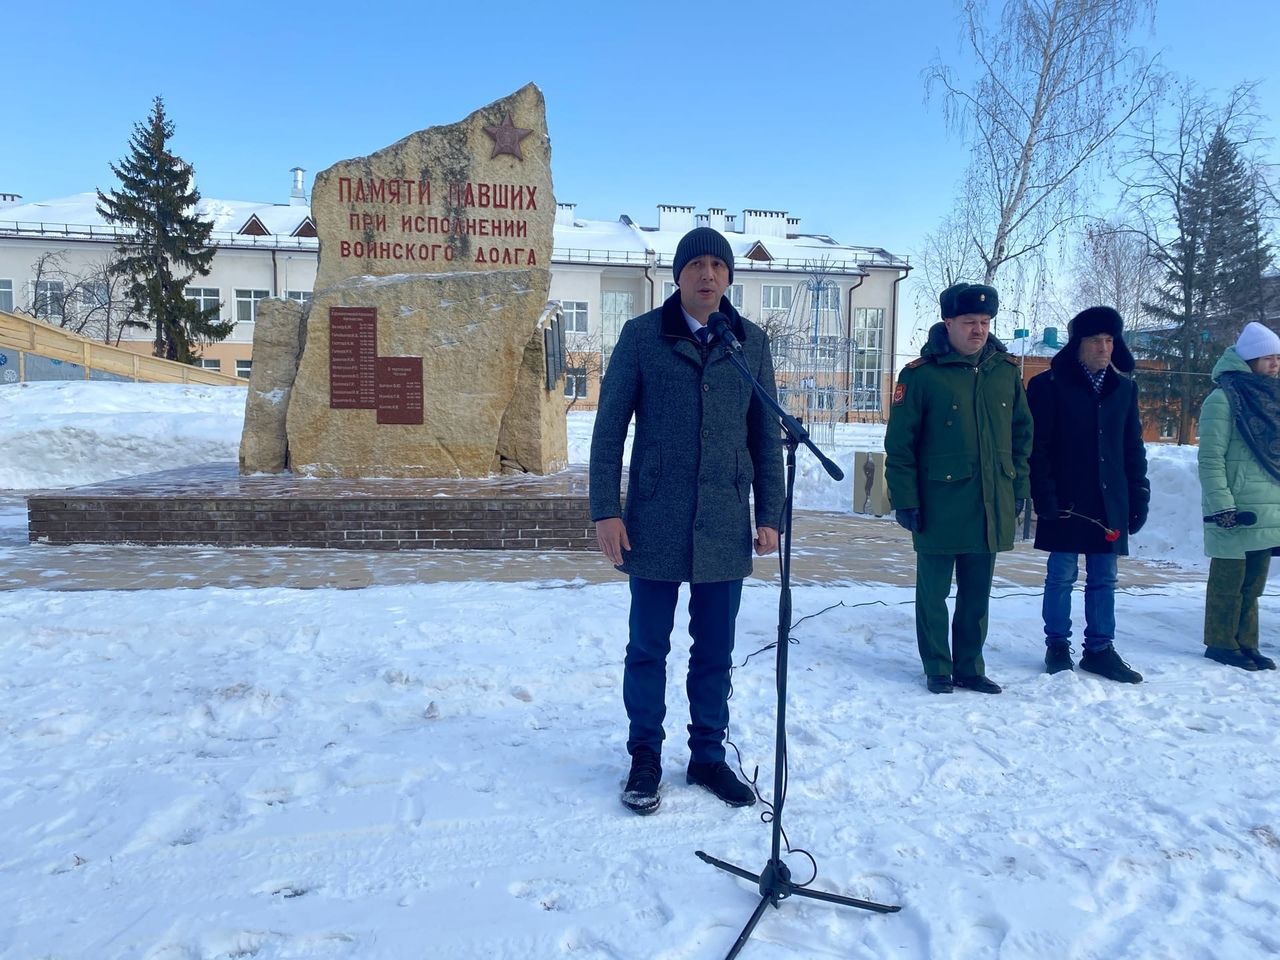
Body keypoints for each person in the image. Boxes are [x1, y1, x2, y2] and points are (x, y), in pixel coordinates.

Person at [589, 226, 784, 815]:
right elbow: (608, 430)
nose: (708, 275)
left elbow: (765, 436)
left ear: (729, 277)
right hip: (654, 518)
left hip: (724, 519)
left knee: (715, 651)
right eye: (696, 264)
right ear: (678, 275)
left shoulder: (747, 343)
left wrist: (769, 513)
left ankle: (707, 756)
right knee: (648, 647)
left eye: (718, 267)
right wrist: (606, 510)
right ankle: (644, 755)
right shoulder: (642, 337)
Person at [885, 282, 1032, 694]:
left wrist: (1018, 487)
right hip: (938, 502)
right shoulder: (921, 375)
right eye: (969, 322)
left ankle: (969, 666)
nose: (978, 330)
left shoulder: (1004, 372)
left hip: (990, 501)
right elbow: (900, 445)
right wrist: (905, 499)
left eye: (984, 322)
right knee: (933, 594)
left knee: (977, 594)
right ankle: (937, 665)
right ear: (948, 323)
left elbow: (1022, 436)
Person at [1027, 306, 1150, 682]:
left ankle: (1099, 649)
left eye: (1110, 340)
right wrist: (1043, 495)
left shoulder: (1123, 389)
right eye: (1096, 340)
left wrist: (1139, 493)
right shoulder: (1048, 386)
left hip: (1109, 500)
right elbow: (1039, 447)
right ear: (1078, 344)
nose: (1104, 348)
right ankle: (1057, 645)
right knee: (1061, 575)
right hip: (1066, 502)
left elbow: (1132, 448)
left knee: (1104, 578)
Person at [1197, 321, 1280, 672]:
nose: (1276, 364)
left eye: (1279, 357)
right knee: (1228, 583)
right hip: (1234, 508)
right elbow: (1211, 457)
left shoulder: (1272, 398)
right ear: (1249, 359)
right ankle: (1220, 642)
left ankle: (1246, 642)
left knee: (1254, 585)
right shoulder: (1223, 398)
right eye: (1269, 357)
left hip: (1267, 508)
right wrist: (1222, 505)